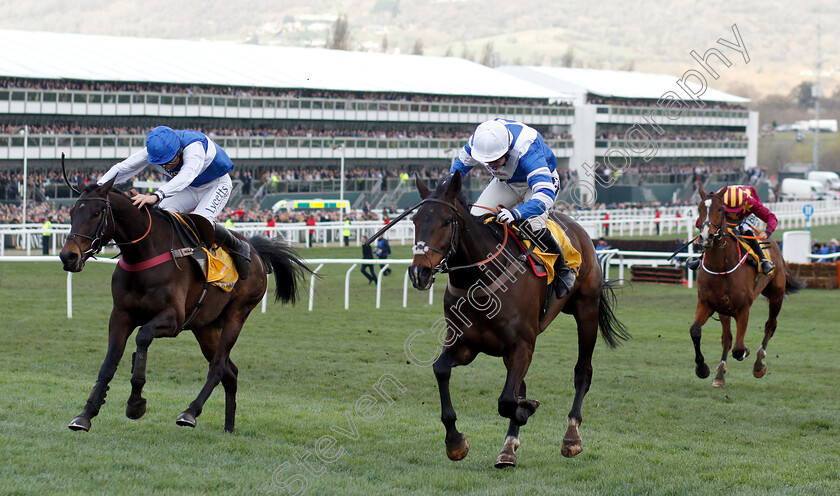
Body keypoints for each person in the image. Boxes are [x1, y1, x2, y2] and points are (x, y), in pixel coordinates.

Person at [96, 126, 250, 279]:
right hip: (189, 188)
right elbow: (124, 168)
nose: (167, 167)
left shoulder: (194, 148)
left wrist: (156, 196)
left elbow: (186, 176)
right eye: (162, 163)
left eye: (170, 161)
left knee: (200, 220)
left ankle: (237, 245)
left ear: (179, 150)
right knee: (162, 214)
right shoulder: (156, 149)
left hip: (216, 184)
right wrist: (97, 188)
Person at [449, 118, 575, 298]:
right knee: (474, 219)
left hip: (538, 185)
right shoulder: (480, 141)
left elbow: (544, 196)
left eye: (494, 160)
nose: (490, 165)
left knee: (533, 225)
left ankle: (562, 269)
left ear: (507, 150)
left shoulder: (527, 147)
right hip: (507, 182)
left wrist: (517, 213)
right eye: (486, 161)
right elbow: (455, 174)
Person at [687, 184, 777, 275]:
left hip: (746, 214)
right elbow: (701, 221)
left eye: (735, 209)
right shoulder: (718, 201)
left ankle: (763, 260)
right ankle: (702, 257)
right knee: (716, 231)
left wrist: (767, 232)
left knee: (745, 229)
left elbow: (771, 217)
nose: (733, 213)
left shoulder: (751, 202)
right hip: (725, 213)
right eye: (730, 210)